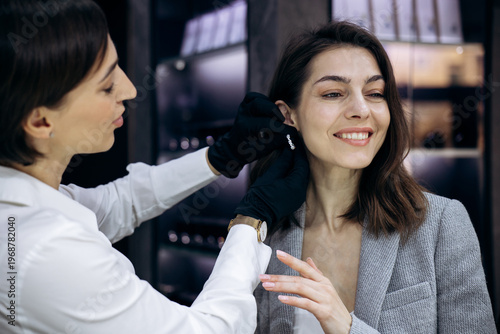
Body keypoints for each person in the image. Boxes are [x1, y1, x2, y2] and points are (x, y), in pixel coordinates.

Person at [0, 0, 309, 333]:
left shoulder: (24, 203)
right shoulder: (47, 249)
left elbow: (120, 203)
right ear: (41, 121)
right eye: (106, 86)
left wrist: (221, 155)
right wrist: (251, 220)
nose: (130, 89)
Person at [253, 21, 497, 333]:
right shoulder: (263, 233)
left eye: (375, 93)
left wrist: (347, 327)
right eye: (333, 93)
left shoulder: (441, 224)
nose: (361, 109)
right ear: (289, 115)